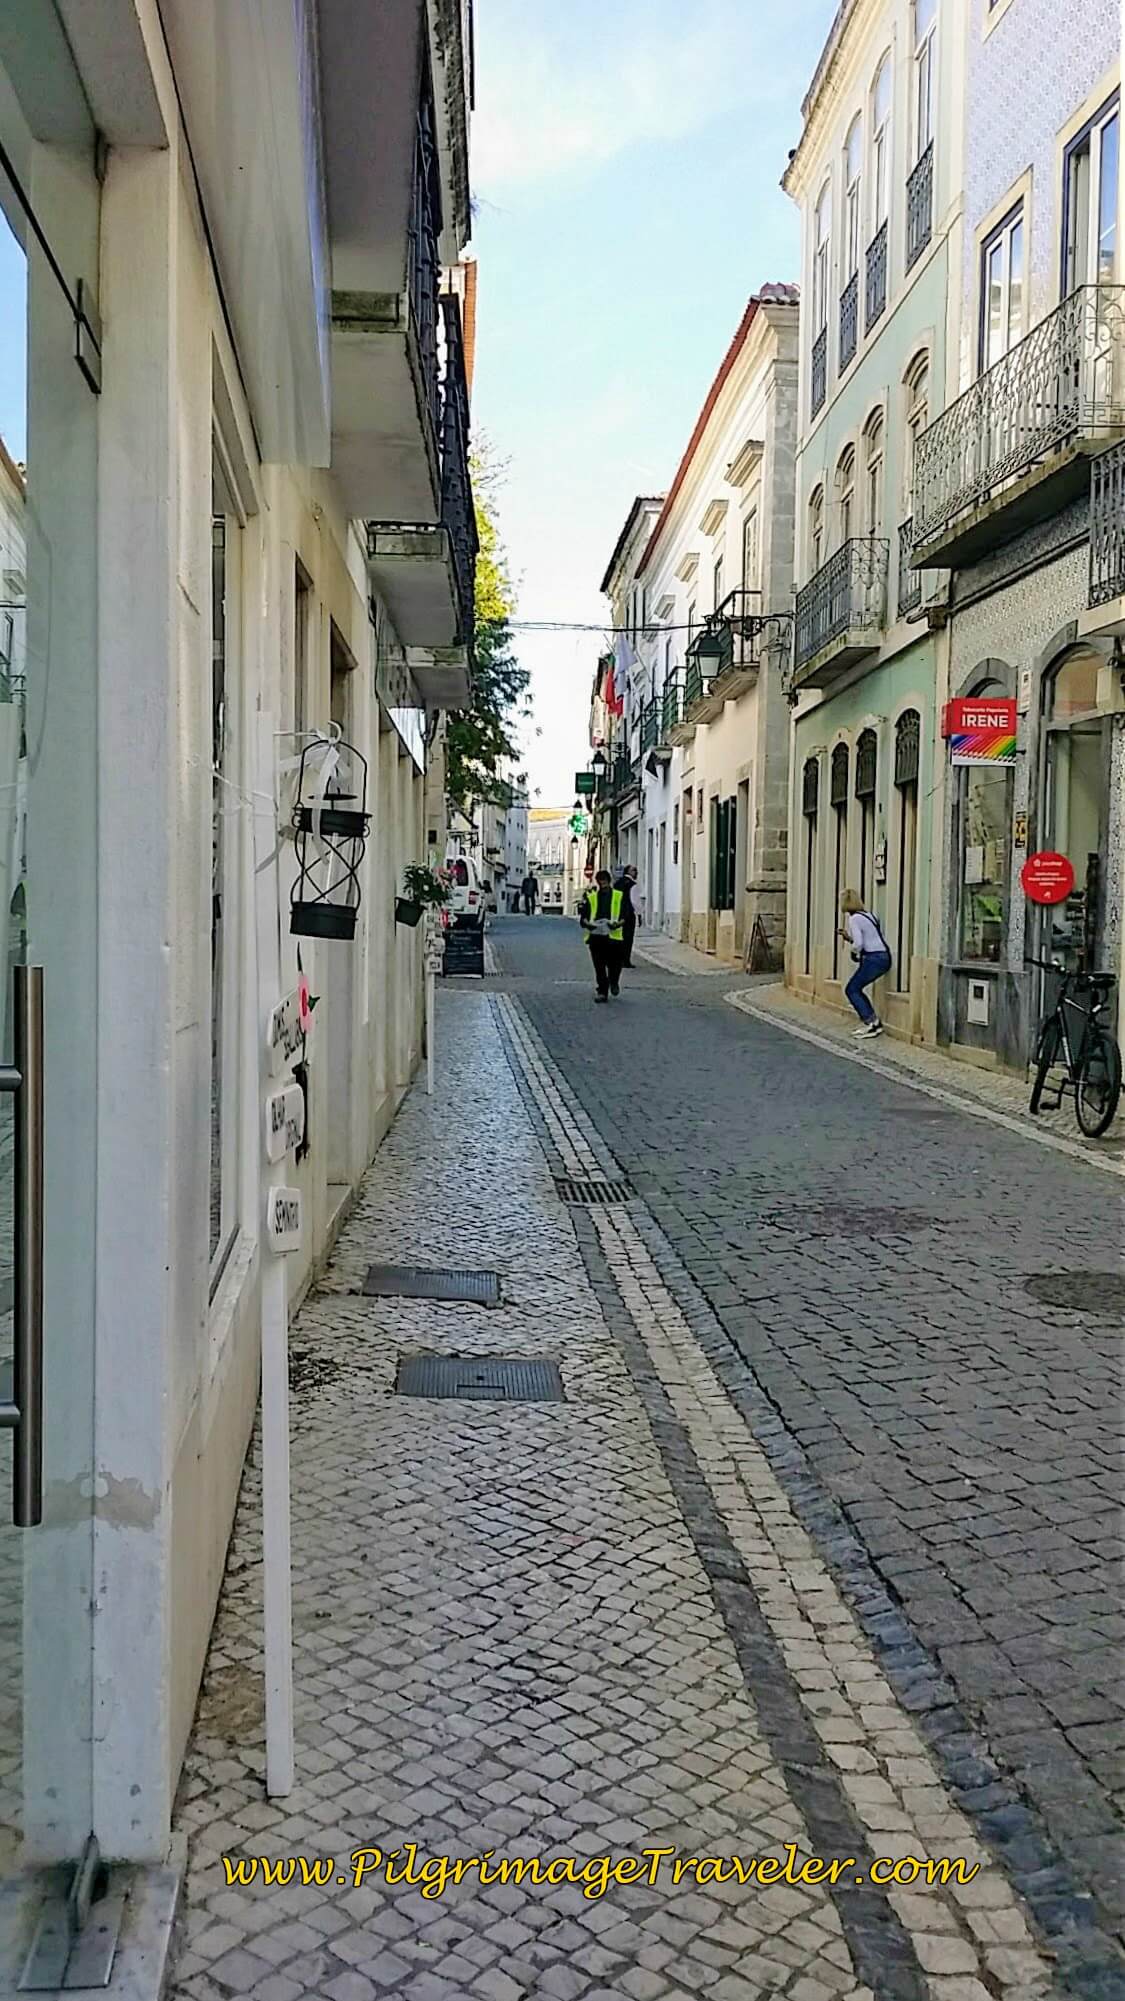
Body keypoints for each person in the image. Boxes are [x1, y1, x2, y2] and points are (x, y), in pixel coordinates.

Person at [840, 889, 892, 1038]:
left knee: (852, 989)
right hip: (883, 956)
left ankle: (870, 1023)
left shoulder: (854, 919)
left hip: (873, 959)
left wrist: (853, 951)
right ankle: (873, 1022)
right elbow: (870, 939)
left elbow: (859, 944)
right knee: (857, 988)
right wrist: (849, 938)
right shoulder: (869, 916)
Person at [579, 869, 626, 1001]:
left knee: (615, 965)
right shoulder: (591, 897)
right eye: (600, 882)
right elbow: (583, 918)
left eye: (605, 881)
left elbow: (625, 916)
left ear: (609, 881)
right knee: (599, 966)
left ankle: (614, 982)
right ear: (598, 882)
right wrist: (589, 924)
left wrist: (617, 924)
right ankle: (602, 992)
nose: (603, 884)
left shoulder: (619, 896)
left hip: (614, 937)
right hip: (596, 937)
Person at [619, 863, 641, 967]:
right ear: (628, 872)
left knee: (619, 938)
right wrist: (639, 914)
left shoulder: (617, 883)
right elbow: (635, 901)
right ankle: (625, 960)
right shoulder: (632, 885)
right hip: (628, 915)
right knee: (628, 938)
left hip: (618, 913)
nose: (636, 872)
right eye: (634, 870)